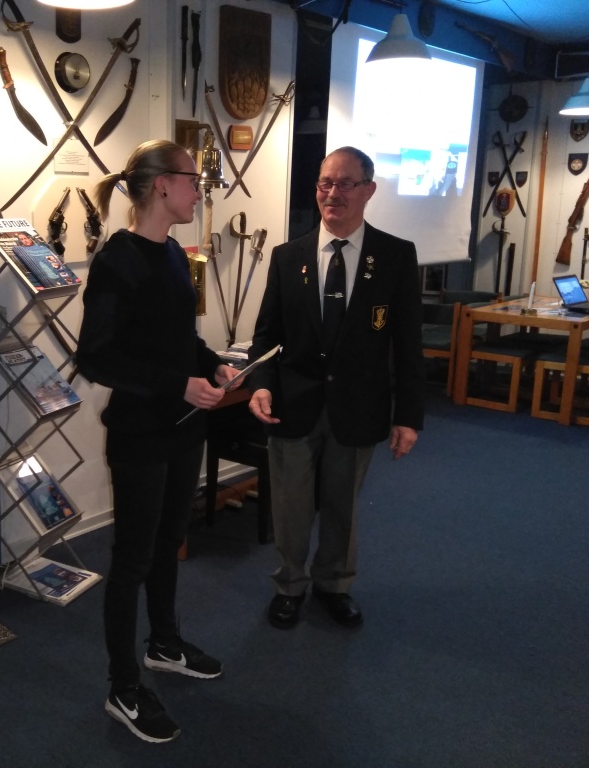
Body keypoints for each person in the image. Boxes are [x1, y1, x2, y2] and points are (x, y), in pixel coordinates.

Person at [76, 139, 240, 743]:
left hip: (183, 428)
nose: (200, 190)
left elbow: (178, 340)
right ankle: (123, 686)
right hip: (141, 435)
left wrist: (213, 363)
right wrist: (179, 385)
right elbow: (96, 357)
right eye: (193, 180)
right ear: (162, 185)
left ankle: (164, 643)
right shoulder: (117, 261)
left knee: (170, 541)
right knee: (132, 559)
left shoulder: (173, 252)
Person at [246, 146, 425, 631]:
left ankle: (334, 584)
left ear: (369, 190)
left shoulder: (395, 256)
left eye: (346, 183)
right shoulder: (288, 257)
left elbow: (408, 344)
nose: (333, 193)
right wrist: (260, 385)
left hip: (359, 405)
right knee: (290, 506)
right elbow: (266, 336)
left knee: (342, 506)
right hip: (293, 405)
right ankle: (289, 585)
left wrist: (408, 416)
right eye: (325, 183)